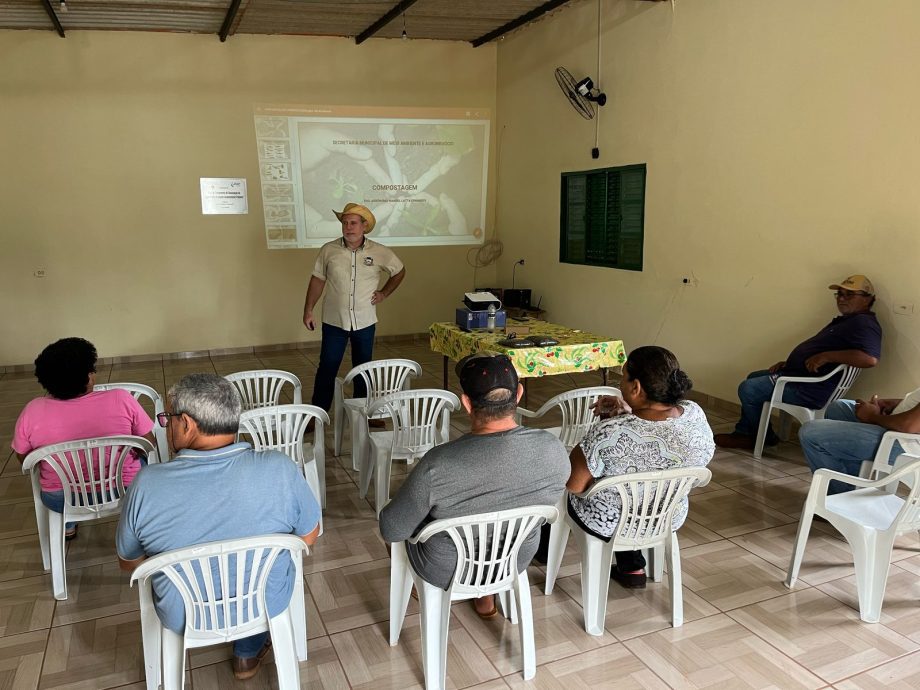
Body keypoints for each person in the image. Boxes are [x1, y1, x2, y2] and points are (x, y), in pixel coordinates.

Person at [116, 373, 321, 681]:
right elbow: (309, 536)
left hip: (182, 614)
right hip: (265, 603)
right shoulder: (279, 468)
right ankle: (247, 653)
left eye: (167, 419)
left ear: (186, 424)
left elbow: (129, 563)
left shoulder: (146, 485)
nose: (165, 425)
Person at [379, 353, 569, 617]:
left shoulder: (438, 464)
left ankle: (420, 588)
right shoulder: (554, 449)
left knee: (398, 516)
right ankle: (486, 599)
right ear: (519, 395)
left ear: (466, 403)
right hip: (514, 560)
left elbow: (391, 530)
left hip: (447, 567)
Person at [565, 346, 714, 589]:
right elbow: (656, 431)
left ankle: (543, 551)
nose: (620, 384)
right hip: (667, 516)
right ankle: (632, 567)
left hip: (613, 522)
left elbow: (574, 485)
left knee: (570, 494)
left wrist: (615, 423)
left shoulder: (609, 433)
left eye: (622, 378)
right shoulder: (695, 415)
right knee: (634, 484)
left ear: (636, 388)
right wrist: (629, 412)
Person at [714, 275, 882, 451]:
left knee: (749, 388)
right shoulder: (849, 321)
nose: (841, 298)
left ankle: (754, 437)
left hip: (809, 388)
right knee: (754, 377)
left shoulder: (864, 323)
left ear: (868, 299)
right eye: (839, 294)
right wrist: (791, 364)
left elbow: (869, 358)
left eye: (849, 294)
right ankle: (753, 432)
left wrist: (827, 356)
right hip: (800, 377)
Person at [12, 337, 154, 540]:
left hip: (60, 498)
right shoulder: (121, 398)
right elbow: (148, 444)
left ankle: (68, 524)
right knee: (144, 461)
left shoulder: (33, 410)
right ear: (89, 377)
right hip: (126, 489)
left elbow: (24, 459)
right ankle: (138, 521)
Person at [303, 203, 406, 418]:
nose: (348, 227)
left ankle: (365, 414)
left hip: (365, 321)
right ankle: (318, 414)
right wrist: (308, 310)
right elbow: (317, 280)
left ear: (364, 226)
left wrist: (384, 293)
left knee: (363, 369)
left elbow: (399, 271)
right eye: (345, 223)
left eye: (353, 223)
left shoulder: (379, 251)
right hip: (334, 321)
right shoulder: (329, 250)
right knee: (327, 368)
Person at [799, 389, 920, 494]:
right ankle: (851, 486)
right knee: (839, 407)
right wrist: (896, 404)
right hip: (903, 434)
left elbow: (908, 426)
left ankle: (840, 500)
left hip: (907, 445)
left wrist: (872, 416)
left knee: (811, 433)